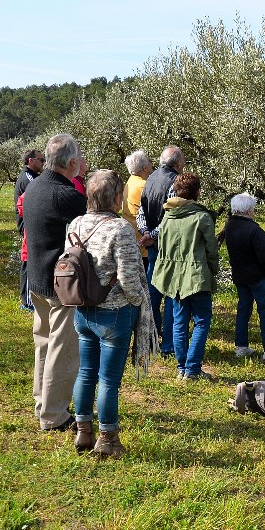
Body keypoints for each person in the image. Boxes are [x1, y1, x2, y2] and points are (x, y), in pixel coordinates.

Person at [66, 170, 157, 457]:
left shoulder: (76, 224)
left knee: (85, 372)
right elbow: (130, 277)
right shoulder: (119, 229)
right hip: (115, 312)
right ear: (116, 198)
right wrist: (138, 301)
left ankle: (83, 431)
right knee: (108, 379)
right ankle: (108, 438)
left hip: (82, 309)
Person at [22, 134, 87, 432]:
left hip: (36, 279)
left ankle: (43, 403)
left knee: (44, 344)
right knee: (63, 351)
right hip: (60, 285)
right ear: (72, 162)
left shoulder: (34, 187)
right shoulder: (67, 196)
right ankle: (54, 415)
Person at [151, 172, 219, 380]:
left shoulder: (168, 218)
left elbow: (162, 247)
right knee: (201, 321)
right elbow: (211, 250)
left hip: (175, 278)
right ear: (197, 192)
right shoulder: (202, 217)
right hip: (197, 276)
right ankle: (192, 368)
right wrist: (213, 270)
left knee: (179, 322)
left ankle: (182, 367)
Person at [222, 192, 265, 362]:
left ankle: (241, 346)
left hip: (240, 275)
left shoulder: (229, 227)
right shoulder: (255, 230)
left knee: (244, 310)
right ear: (249, 210)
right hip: (259, 277)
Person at [137, 146, 186, 356]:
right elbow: (171, 216)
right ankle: (168, 345)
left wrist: (145, 232)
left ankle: (150, 340)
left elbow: (141, 210)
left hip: (153, 245)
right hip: (167, 245)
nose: (184, 164)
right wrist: (153, 234)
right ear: (176, 163)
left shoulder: (151, 177)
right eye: (183, 160)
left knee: (153, 293)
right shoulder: (174, 181)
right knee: (171, 293)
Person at [14, 149, 44, 311]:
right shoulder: (28, 178)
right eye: (41, 160)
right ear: (31, 161)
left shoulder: (32, 177)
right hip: (27, 223)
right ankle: (26, 301)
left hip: (30, 222)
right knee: (27, 260)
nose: (43, 163)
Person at [122, 150, 152, 268]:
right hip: (143, 240)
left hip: (133, 237)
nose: (151, 164)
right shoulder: (143, 185)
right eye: (149, 161)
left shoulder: (131, 181)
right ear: (145, 168)